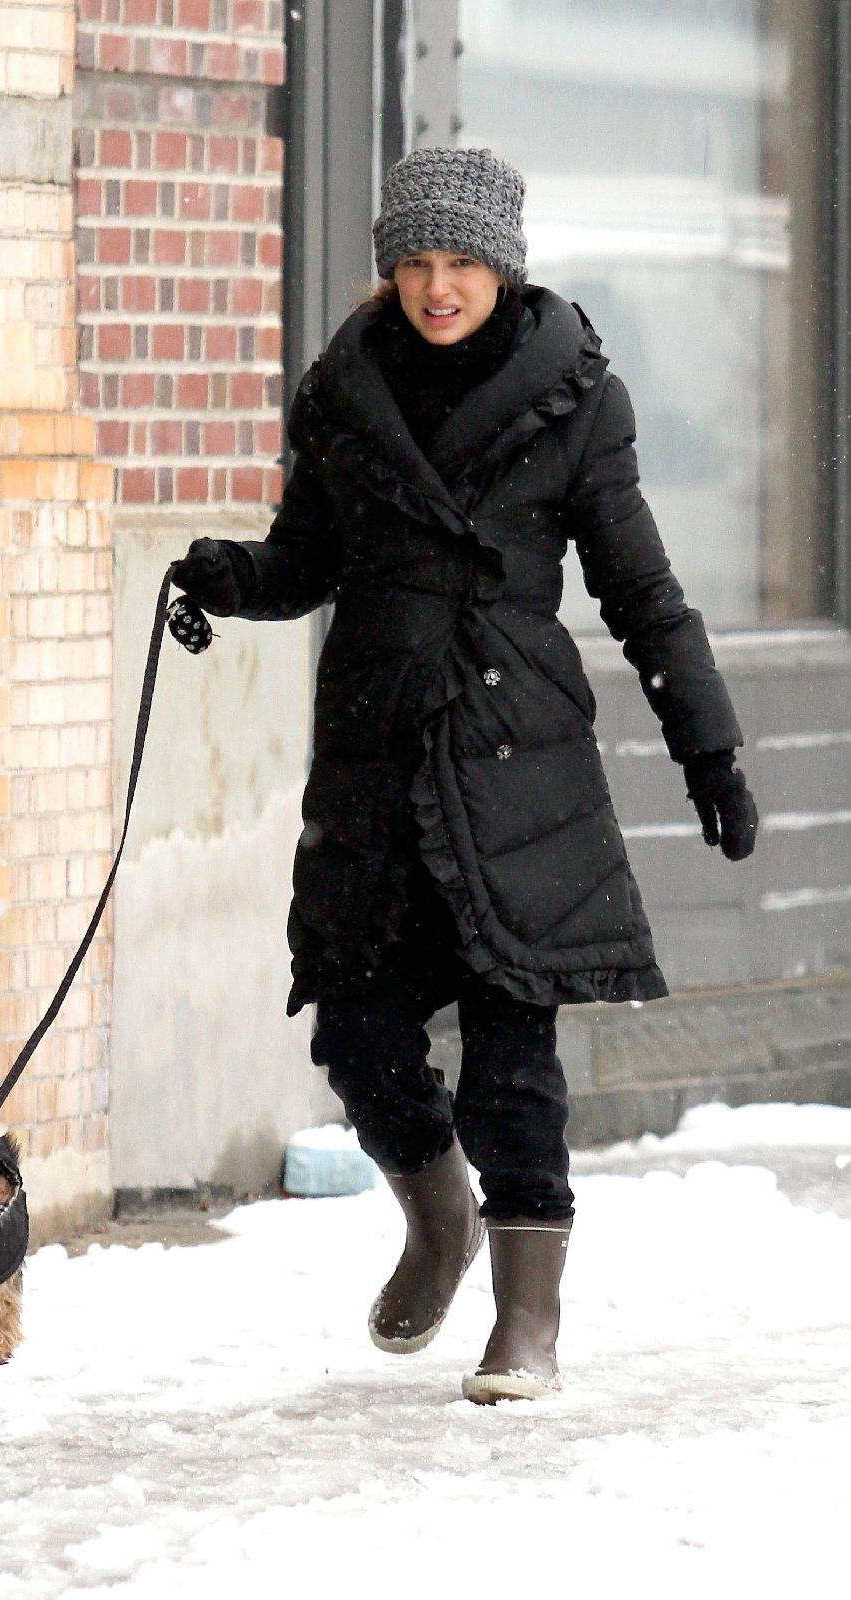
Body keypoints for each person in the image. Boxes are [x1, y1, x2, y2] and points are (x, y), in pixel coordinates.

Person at [170, 147, 758, 1403]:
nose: (440, 286)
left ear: (504, 267)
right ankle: (441, 1223)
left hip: (512, 759)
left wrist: (710, 746)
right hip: (379, 752)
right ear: (391, 269)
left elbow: (641, 591)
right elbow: (306, 559)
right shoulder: (343, 395)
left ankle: (526, 1324)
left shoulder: (576, 399)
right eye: (418, 262)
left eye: (463, 263)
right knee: (360, 1033)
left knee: (512, 1056)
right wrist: (232, 575)